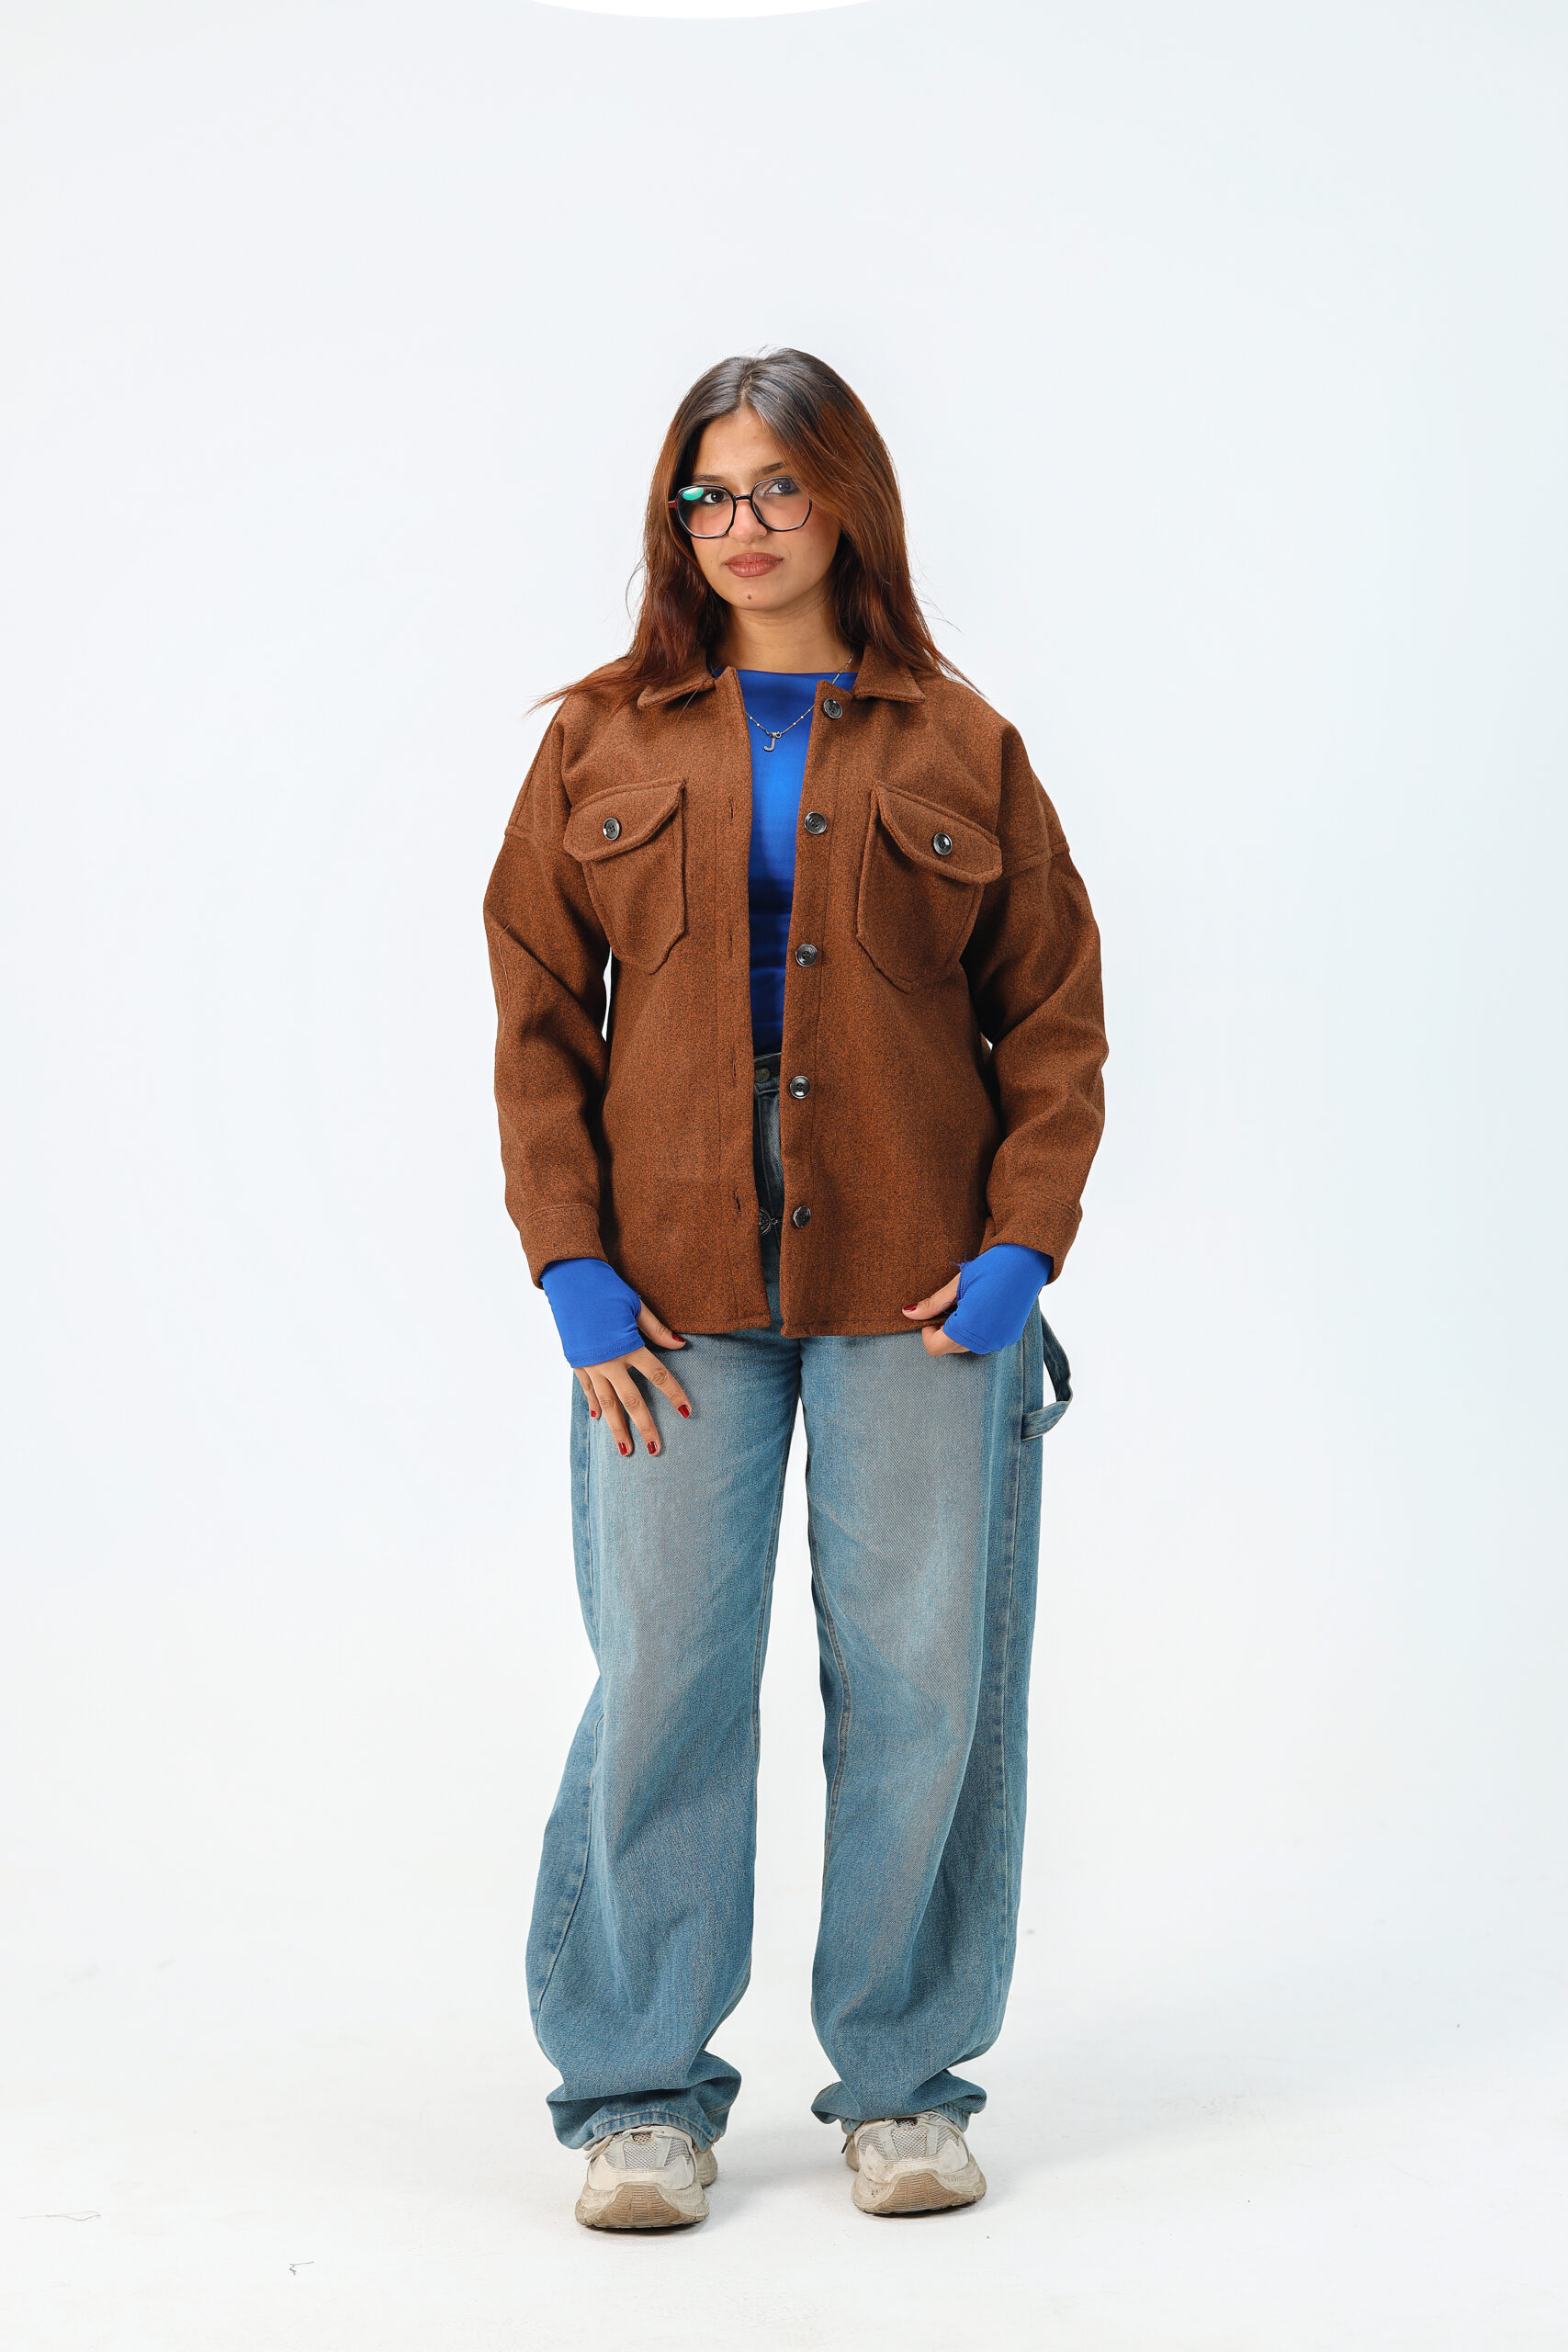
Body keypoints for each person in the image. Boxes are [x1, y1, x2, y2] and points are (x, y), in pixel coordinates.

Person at [482, 347, 1108, 2231]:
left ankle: (904, 2084)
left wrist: (1019, 1249)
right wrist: (572, 1269)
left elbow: (1053, 1016)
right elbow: (534, 1015)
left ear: (847, 502)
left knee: (922, 1682)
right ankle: (635, 2092)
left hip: (922, 1285)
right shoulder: (600, 738)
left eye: (775, 487)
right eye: (707, 493)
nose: (740, 524)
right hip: (662, 1297)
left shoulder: (959, 741)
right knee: (663, 1676)